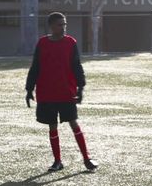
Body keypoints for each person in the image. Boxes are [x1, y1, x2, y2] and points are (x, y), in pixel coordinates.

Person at [26, 12, 99, 173]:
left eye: (64, 24)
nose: (63, 27)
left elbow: (76, 66)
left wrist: (81, 87)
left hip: (66, 92)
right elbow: (35, 67)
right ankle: (57, 161)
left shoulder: (70, 43)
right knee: (52, 126)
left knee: (74, 123)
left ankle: (87, 158)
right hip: (46, 93)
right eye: (60, 24)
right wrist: (29, 88)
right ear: (52, 26)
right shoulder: (42, 43)